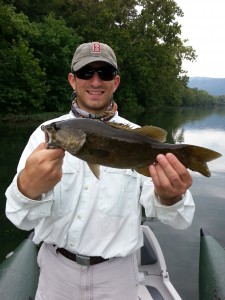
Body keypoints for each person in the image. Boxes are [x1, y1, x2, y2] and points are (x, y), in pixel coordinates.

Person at [5, 42, 195, 300]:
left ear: (115, 82)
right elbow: (20, 219)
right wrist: (27, 190)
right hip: (55, 273)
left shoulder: (139, 137)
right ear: (72, 80)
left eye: (104, 74)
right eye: (86, 73)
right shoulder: (44, 134)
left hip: (117, 277)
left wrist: (171, 196)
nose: (95, 81)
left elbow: (179, 220)